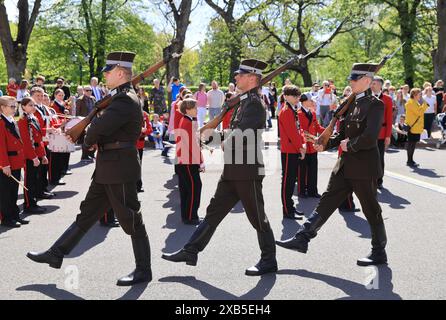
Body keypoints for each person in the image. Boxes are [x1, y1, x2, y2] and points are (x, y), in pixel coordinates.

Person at [27, 51, 153, 286]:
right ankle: (56, 253)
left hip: (119, 167)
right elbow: (100, 129)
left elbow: (96, 130)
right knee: (87, 214)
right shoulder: (117, 98)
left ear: (119, 72)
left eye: (108, 72)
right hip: (109, 166)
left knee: (131, 218)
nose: (104, 75)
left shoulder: (125, 99)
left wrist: (90, 131)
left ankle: (144, 270)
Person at [162, 59, 278, 276]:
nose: (236, 78)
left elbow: (243, 132)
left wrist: (220, 140)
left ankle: (269, 259)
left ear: (252, 78)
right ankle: (191, 250)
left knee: (257, 216)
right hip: (233, 169)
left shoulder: (254, 103)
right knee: (213, 212)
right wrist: (209, 138)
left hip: (247, 169)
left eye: (241, 75)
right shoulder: (242, 101)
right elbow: (230, 132)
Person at [276, 62, 388, 267]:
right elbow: (342, 134)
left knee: (371, 209)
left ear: (366, 81)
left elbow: (370, 137)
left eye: (354, 79)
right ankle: (303, 238)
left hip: (363, 167)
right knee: (326, 202)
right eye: (351, 79)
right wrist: (324, 143)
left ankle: (379, 251)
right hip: (344, 166)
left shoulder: (375, 104)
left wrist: (349, 145)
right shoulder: (351, 103)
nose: (351, 82)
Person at [0, 96, 29, 228]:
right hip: (7, 164)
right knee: (6, 192)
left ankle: (15, 215)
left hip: (16, 161)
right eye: (11, 106)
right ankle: (7, 218)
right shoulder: (1, 123)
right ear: (2, 108)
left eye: (15, 106)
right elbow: (1, 146)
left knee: (14, 191)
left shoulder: (12, 120)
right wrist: (4, 164)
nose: (14, 109)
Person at [278, 85, 306, 219]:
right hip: (289, 150)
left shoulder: (291, 109)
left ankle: (290, 207)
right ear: (286, 96)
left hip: (293, 149)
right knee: (287, 181)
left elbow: (299, 130)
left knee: (291, 180)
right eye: (295, 96)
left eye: (298, 96)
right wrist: (301, 147)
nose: (297, 98)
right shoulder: (286, 111)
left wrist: (302, 144)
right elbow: (292, 133)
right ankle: (287, 209)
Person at [175, 98, 204, 225]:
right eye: (195, 108)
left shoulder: (186, 120)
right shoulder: (187, 123)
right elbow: (193, 145)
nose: (197, 110)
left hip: (184, 160)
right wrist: (201, 161)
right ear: (188, 109)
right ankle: (191, 216)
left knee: (187, 189)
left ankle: (187, 215)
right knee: (194, 188)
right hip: (188, 161)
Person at [18, 97, 48, 214]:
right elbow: (26, 141)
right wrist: (34, 157)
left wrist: (43, 155)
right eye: (30, 105)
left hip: (37, 152)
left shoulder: (33, 118)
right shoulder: (23, 120)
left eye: (34, 105)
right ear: (23, 106)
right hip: (30, 155)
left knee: (35, 179)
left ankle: (33, 202)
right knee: (30, 180)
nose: (33, 107)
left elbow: (38, 139)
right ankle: (29, 204)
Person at [297, 93, 325, 198]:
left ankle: (312, 191)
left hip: (313, 146)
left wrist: (328, 131)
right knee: (302, 170)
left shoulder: (312, 113)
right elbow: (299, 130)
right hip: (304, 146)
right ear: (304, 101)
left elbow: (317, 127)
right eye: (310, 100)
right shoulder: (298, 113)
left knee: (313, 169)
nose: (312, 102)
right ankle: (302, 191)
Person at [371, 76, 393, 190]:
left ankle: (379, 180)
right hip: (368, 133)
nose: (372, 85)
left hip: (381, 133)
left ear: (380, 85)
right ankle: (370, 179)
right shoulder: (366, 97)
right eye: (371, 83)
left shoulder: (387, 99)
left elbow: (389, 119)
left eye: (374, 83)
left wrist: (388, 136)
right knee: (368, 157)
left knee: (380, 157)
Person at [405, 88, 428, 167]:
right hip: (412, 127)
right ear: (414, 95)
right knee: (411, 144)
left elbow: (419, 112)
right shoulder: (411, 103)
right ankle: (409, 161)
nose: (420, 96)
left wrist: (423, 105)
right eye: (419, 94)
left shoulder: (415, 102)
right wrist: (425, 105)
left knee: (413, 144)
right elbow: (419, 112)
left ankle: (410, 160)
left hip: (415, 127)